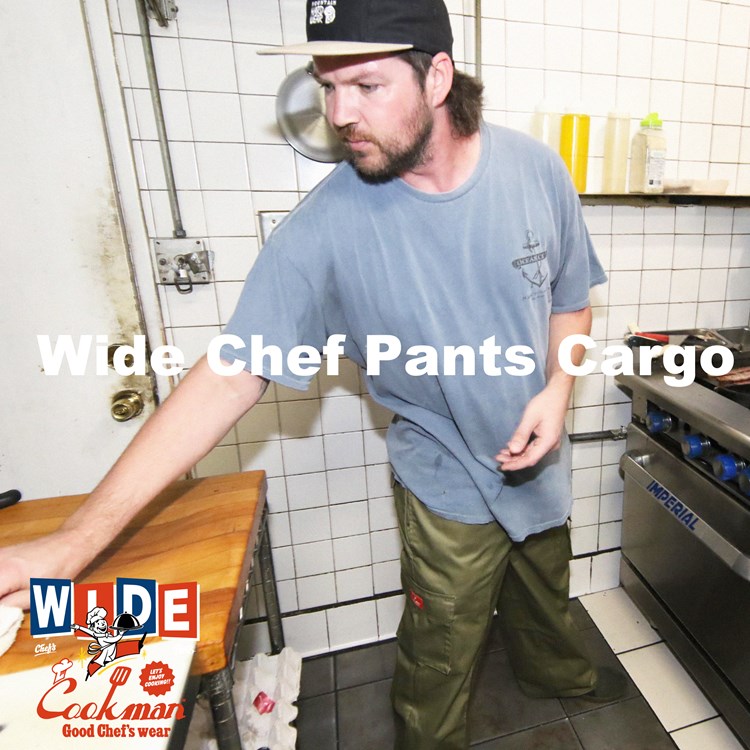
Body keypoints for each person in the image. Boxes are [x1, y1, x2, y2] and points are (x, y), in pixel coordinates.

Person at [0, 0, 621, 747]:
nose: (339, 114)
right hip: (448, 482)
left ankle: (563, 683)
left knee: (547, 599)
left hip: (541, 465)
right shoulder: (327, 226)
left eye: (365, 86)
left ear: (437, 77)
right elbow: (230, 374)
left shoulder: (536, 169)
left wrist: (557, 390)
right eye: (328, 85)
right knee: (441, 656)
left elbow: (570, 303)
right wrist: (72, 543)